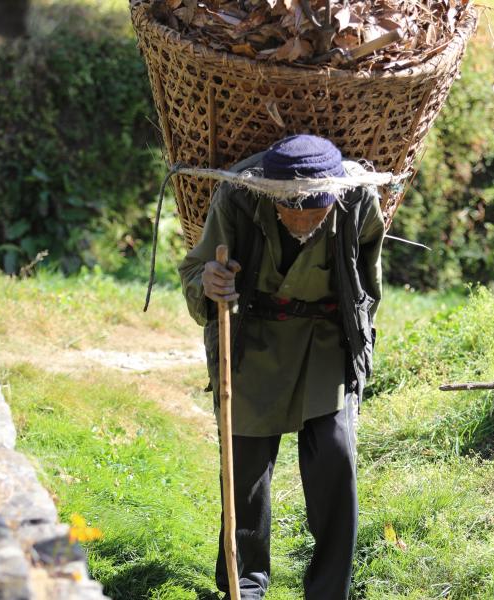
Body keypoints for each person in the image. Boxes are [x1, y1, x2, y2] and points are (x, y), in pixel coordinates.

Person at [178, 134, 385, 599]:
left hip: (326, 340)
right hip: (254, 337)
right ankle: (244, 587)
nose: (304, 220)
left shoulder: (356, 201)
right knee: (245, 473)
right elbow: (195, 268)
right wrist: (209, 282)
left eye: (317, 211)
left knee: (335, 456)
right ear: (273, 196)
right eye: (293, 209)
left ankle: (329, 591)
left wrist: (359, 346)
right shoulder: (239, 196)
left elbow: (367, 283)